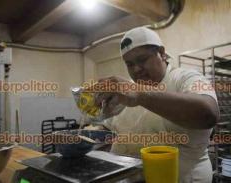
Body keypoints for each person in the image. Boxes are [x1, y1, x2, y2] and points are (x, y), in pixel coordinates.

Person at [88, 27, 219, 183]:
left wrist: (140, 94)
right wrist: (89, 135)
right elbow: (109, 129)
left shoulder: (184, 78)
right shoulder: (127, 89)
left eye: (142, 60)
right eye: (129, 64)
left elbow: (208, 114)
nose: (136, 69)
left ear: (162, 53)